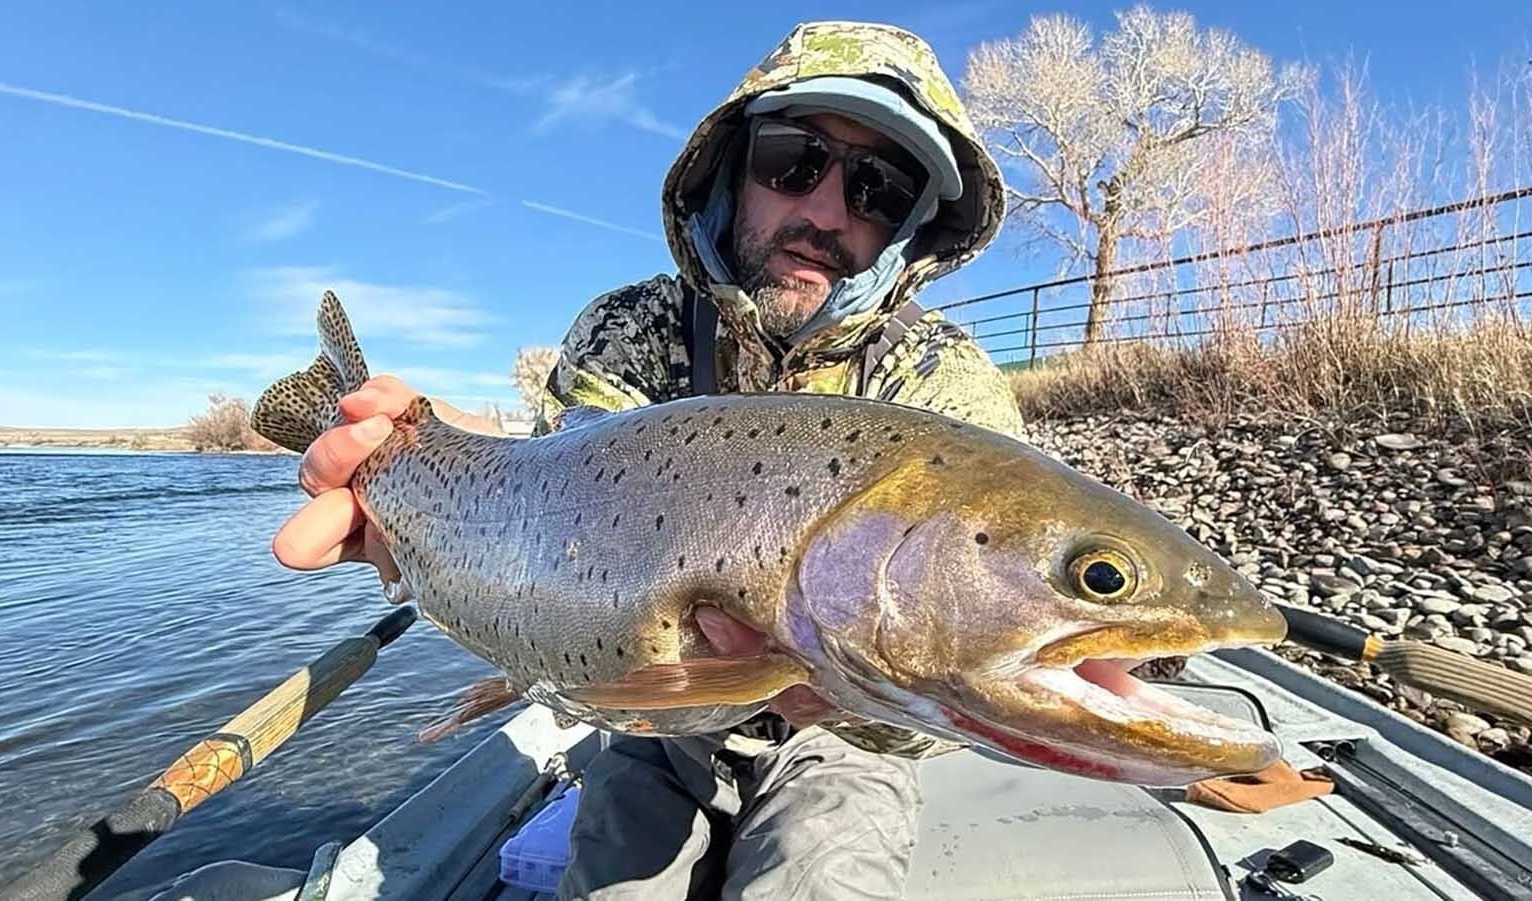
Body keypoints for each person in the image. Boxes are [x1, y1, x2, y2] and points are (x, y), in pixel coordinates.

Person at [271, 20, 1025, 900]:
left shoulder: (948, 388)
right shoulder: (628, 333)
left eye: (878, 188)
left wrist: (859, 702)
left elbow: (978, 682)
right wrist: (406, 497)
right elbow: (547, 522)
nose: (825, 211)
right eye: (793, 162)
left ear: (911, 225)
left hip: (844, 743)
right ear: (731, 167)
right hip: (649, 713)